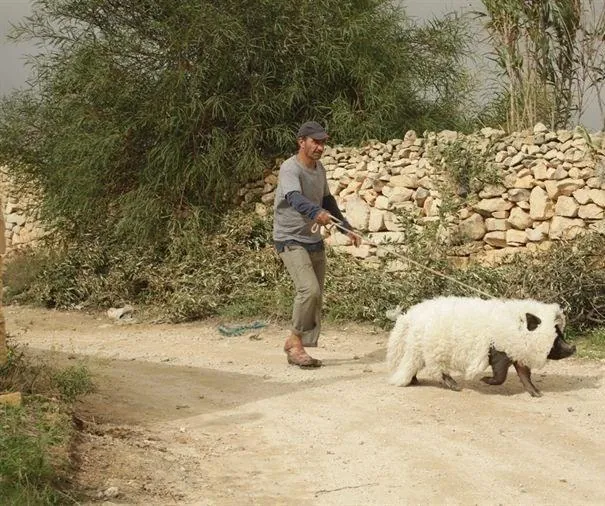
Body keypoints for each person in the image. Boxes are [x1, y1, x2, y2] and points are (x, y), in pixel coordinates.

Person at [273, 121, 361, 368]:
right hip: (289, 237)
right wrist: (315, 213)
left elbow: (327, 200)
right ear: (301, 142)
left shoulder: (319, 169)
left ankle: (299, 343)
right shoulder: (290, 168)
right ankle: (294, 343)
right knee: (308, 290)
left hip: (312, 238)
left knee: (316, 295)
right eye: (315, 142)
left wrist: (346, 227)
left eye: (323, 143)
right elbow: (294, 198)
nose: (320, 147)